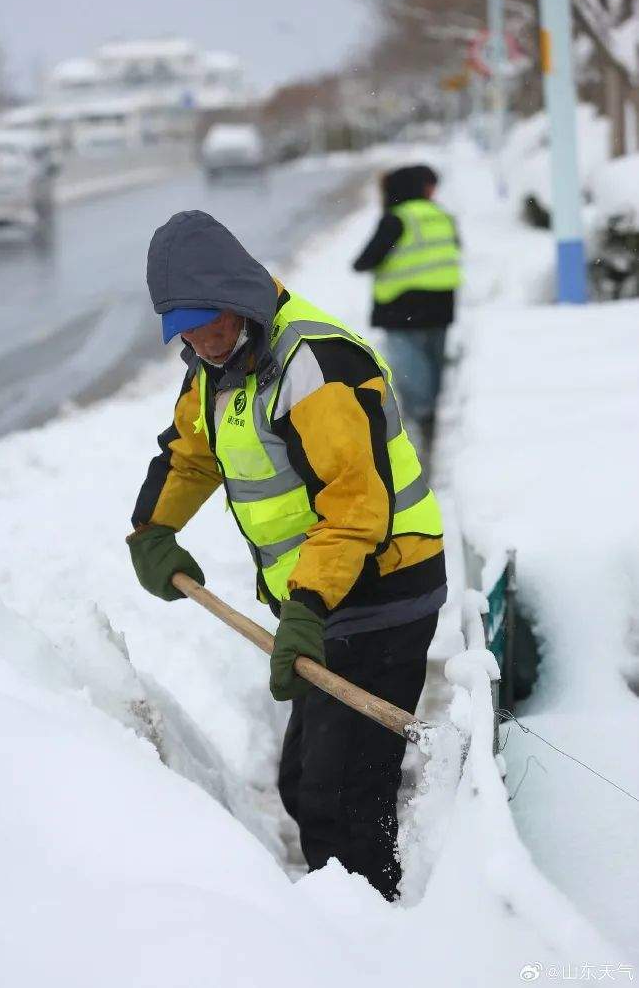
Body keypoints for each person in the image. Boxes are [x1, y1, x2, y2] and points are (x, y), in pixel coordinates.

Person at [127, 210, 447, 901]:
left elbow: (359, 504)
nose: (200, 340)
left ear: (238, 298)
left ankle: (375, 928)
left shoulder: (316, 365)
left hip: (382, 591)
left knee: (342, 796)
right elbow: (188, 456)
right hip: (327, 599)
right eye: (183, 328)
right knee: (305, 782)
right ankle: (353, 913)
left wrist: (306, 606)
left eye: (208, 321)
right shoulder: (214, 368)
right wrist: (151, 530)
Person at [352, 164, 461, 436]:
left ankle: (423, 419)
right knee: (433, 361)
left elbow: (365, 261)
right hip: (442, 303)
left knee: (411, 368)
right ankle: (432, 414)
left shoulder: (397, 219)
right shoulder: (442, 216)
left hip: (402, 309)